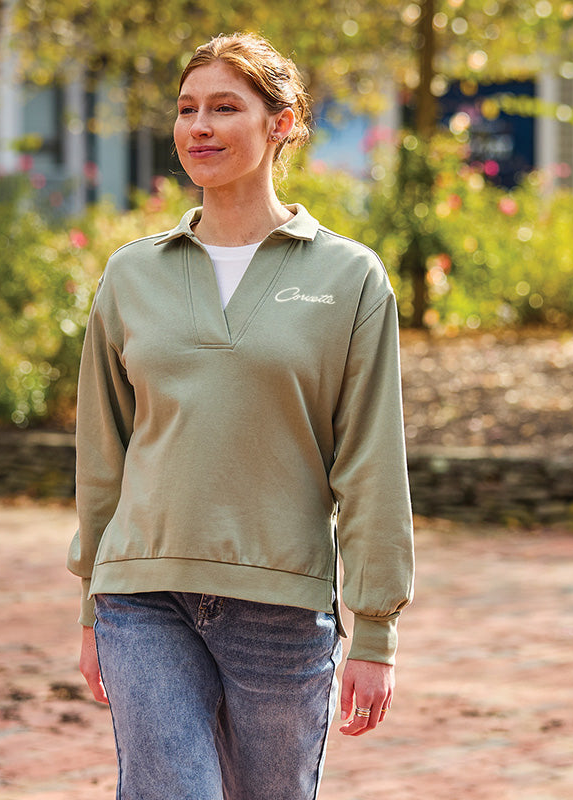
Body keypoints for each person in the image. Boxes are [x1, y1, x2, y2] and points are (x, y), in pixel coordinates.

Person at [68, 32, 414, 800]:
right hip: (142, 593)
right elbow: (104, 453)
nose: (200, 127)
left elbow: (370, 460)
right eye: (187, 109)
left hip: (282, 602)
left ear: (281, 123)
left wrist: (378, 628)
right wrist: (92, 605)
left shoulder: (348, 277)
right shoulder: (131, 276)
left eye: (226, 107)